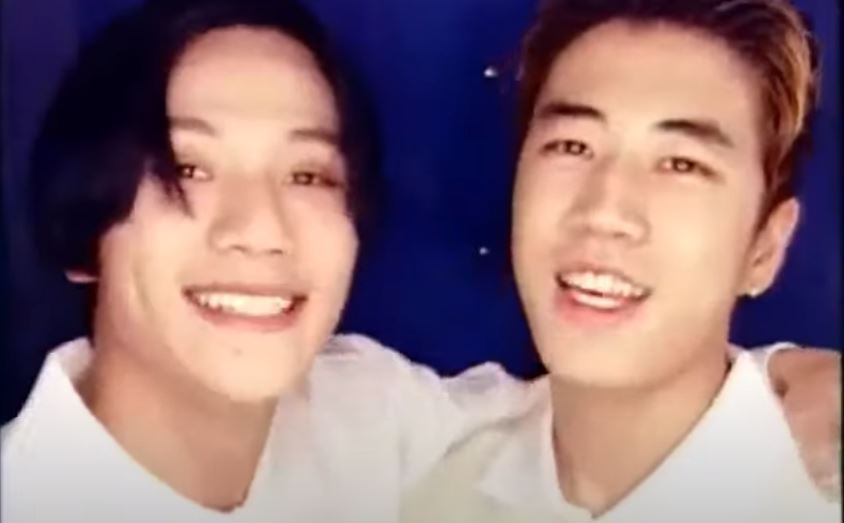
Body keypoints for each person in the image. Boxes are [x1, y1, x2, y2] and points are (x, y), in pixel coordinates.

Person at [1, 0, 839, 521]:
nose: (260, 230)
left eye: (309, 174)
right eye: (187, 168)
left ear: (767, 245)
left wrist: (786, 377)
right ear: (79, 225)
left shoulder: (371, 417)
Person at [402, 0, 841, 520]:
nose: (604, 211)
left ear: (764, 247)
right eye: (572, 146)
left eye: (681, 164)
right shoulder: (413, 460)